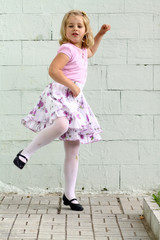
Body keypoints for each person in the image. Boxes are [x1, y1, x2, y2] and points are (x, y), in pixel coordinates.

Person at [13, 10, 111, 211]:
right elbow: (53, 70)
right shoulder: (67, 49)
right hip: (61, 93)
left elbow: (91, 52)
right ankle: (25, 153)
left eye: (79, 26)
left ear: (85, 31)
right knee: (61, 124)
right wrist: (73, 86)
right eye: (71, 25)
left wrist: (100, 34)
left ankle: (70, 195)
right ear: (65, 30)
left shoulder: (83, 50)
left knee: (73, 148)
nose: (75, 29)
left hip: (75, 99)